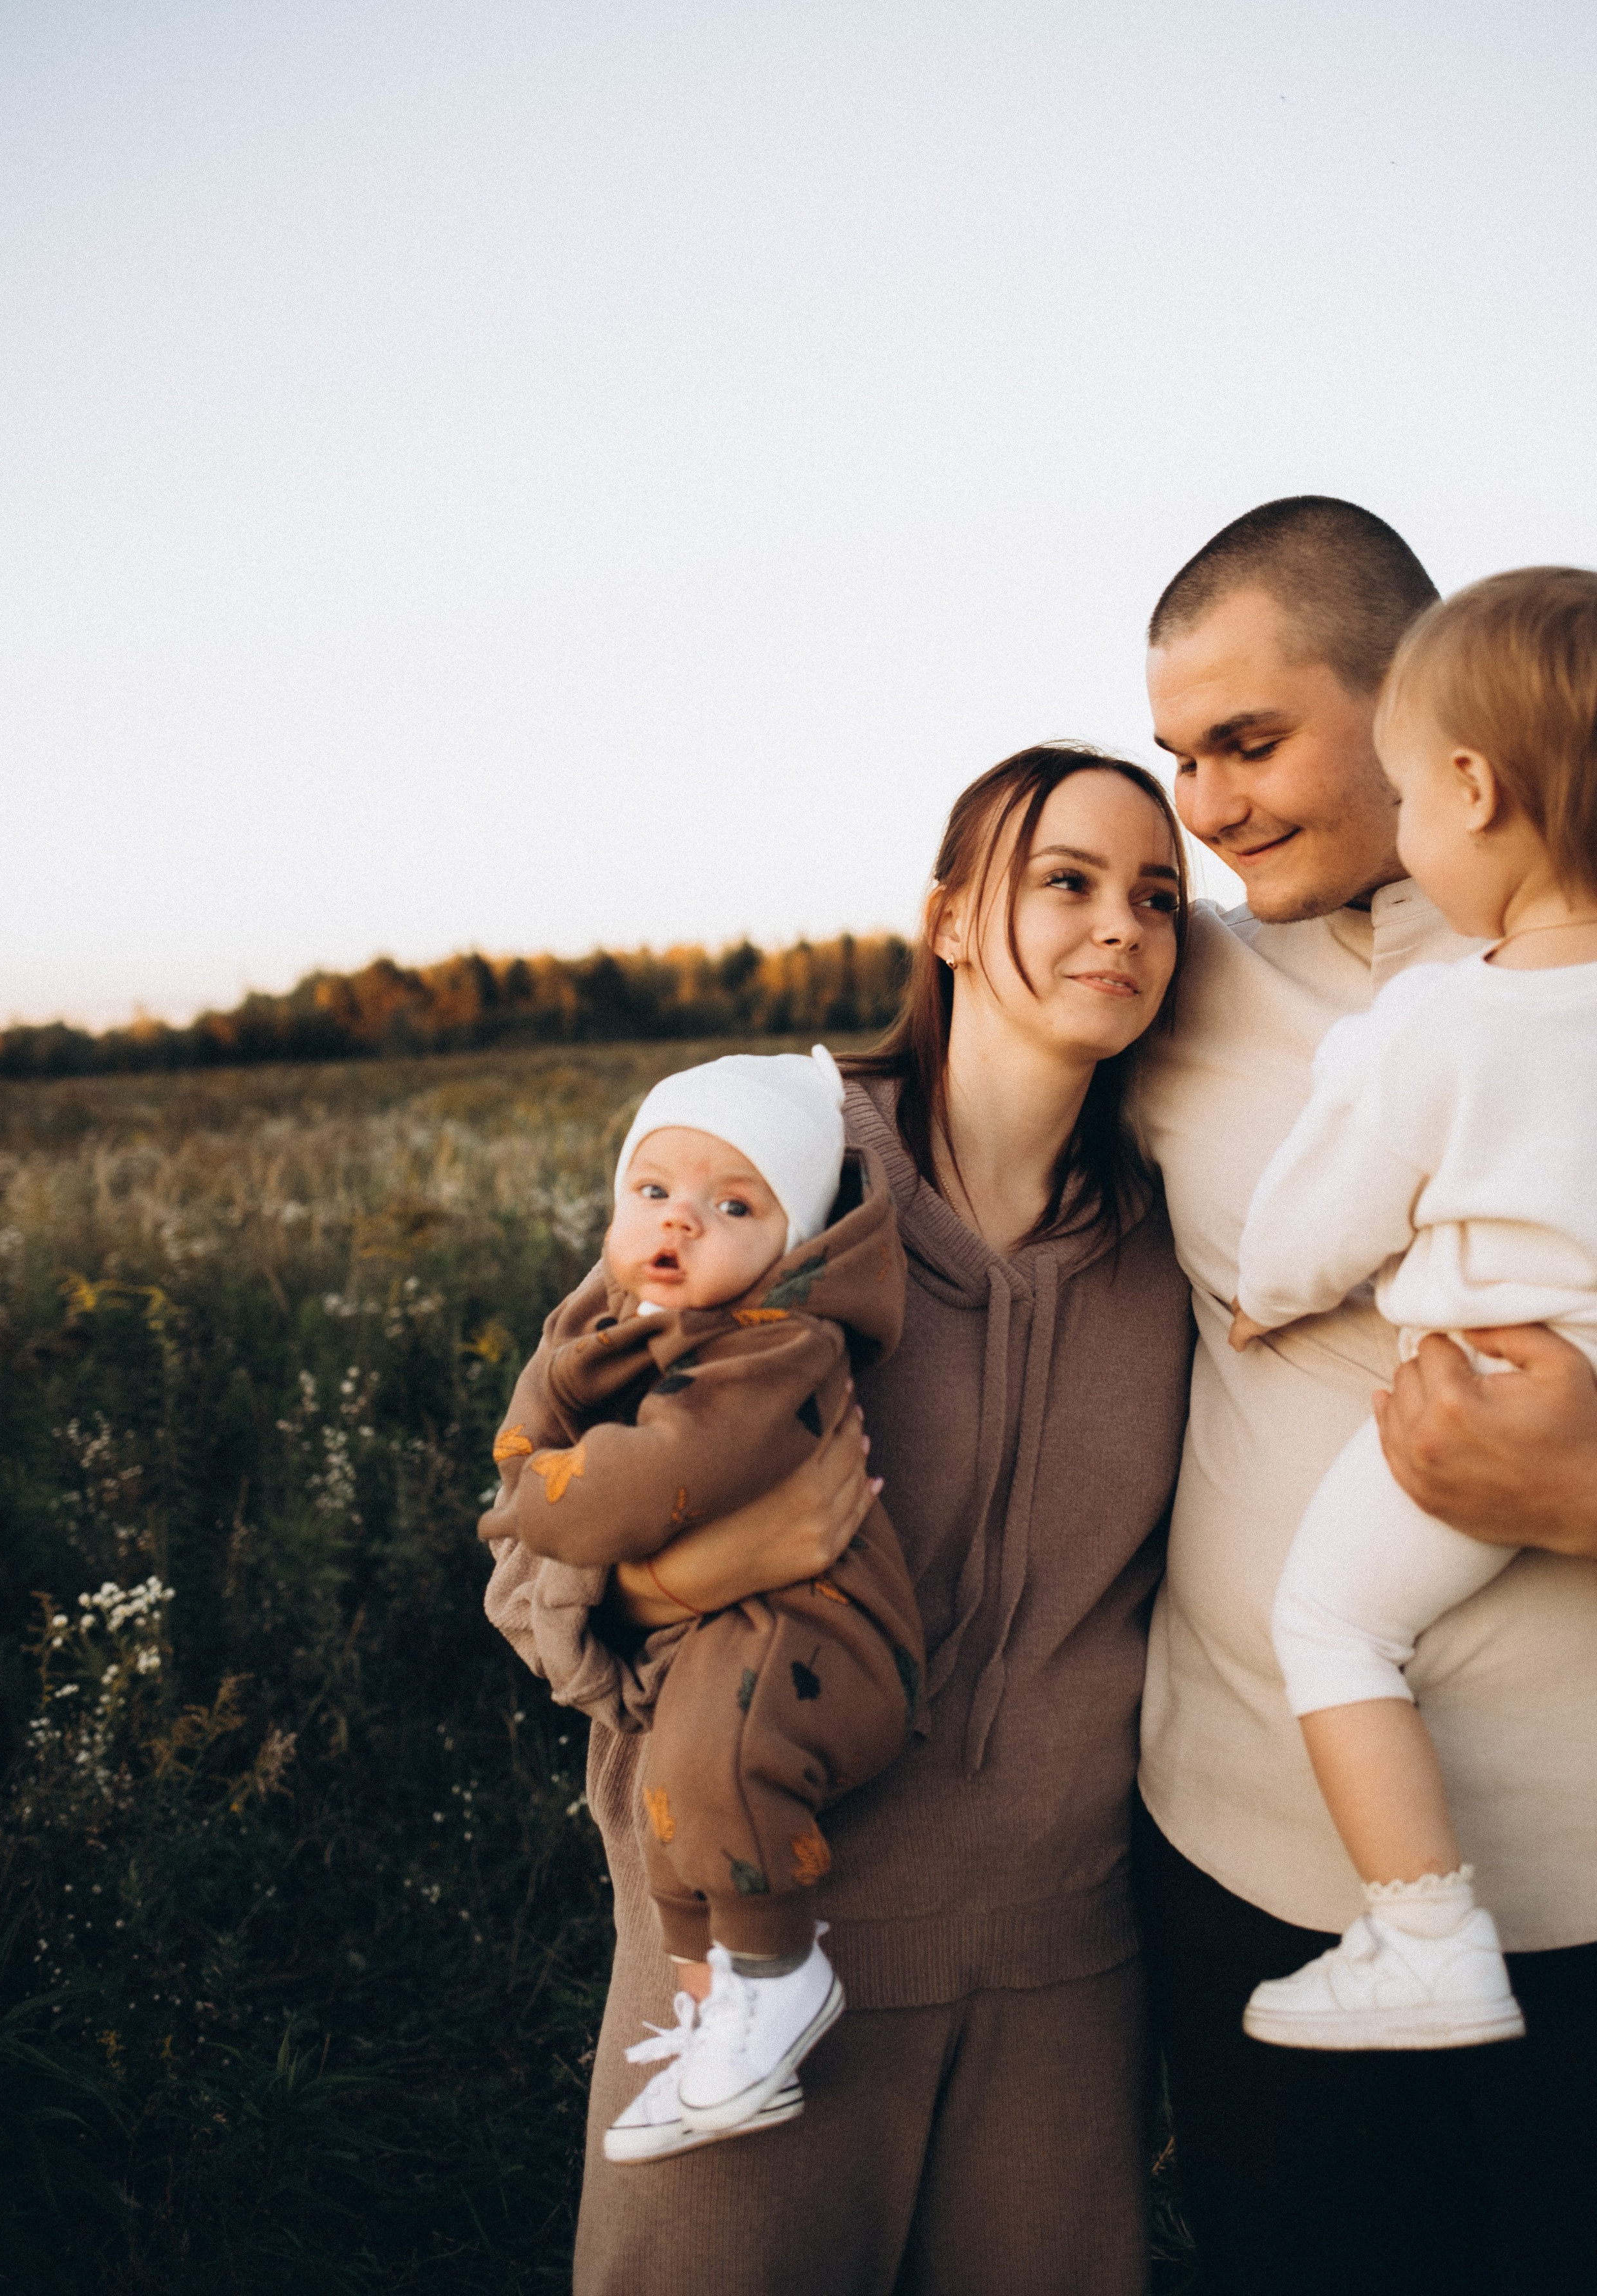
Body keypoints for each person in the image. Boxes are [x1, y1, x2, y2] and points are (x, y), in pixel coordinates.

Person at [482, 743, 1195, 2296]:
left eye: (1157, 895)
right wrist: (697, 1570)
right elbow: (524, 1568)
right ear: (947, 920)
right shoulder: (775, 1179)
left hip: (1062, 1978)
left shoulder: (1173, 1234)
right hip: (753, 1960)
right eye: (1062, 882)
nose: (1120, 927)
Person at [1133, 499, 1597, 2294]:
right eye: (1181, 759)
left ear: (1425, 717)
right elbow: (916, 1168)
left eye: (1250, 743)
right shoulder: (1175, 974)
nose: (1211, 807)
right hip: (1252, 1855)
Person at [1229, 567, 1597, 2052]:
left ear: (1468, 787)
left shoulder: (1443, 1017)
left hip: (1482, 1384)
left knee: (1326, 1622)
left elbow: (1314, 1223)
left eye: (1401, 792)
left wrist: (1267, 1297)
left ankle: (1422, 1931)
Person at [483, 1046, 925, 2164]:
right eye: (654, 1191)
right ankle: (710, 2025)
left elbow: (635, 1484)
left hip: (818, 1637)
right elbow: (521, 1469)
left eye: (733, 1205)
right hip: (717, 1641)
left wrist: (547, 1496)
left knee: (710, 1777)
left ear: (790, 1245)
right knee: (670, 1831)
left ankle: (782, 1976)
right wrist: (538, 1486)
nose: (680, 1222)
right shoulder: (604, 1327)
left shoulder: (773, 1345)